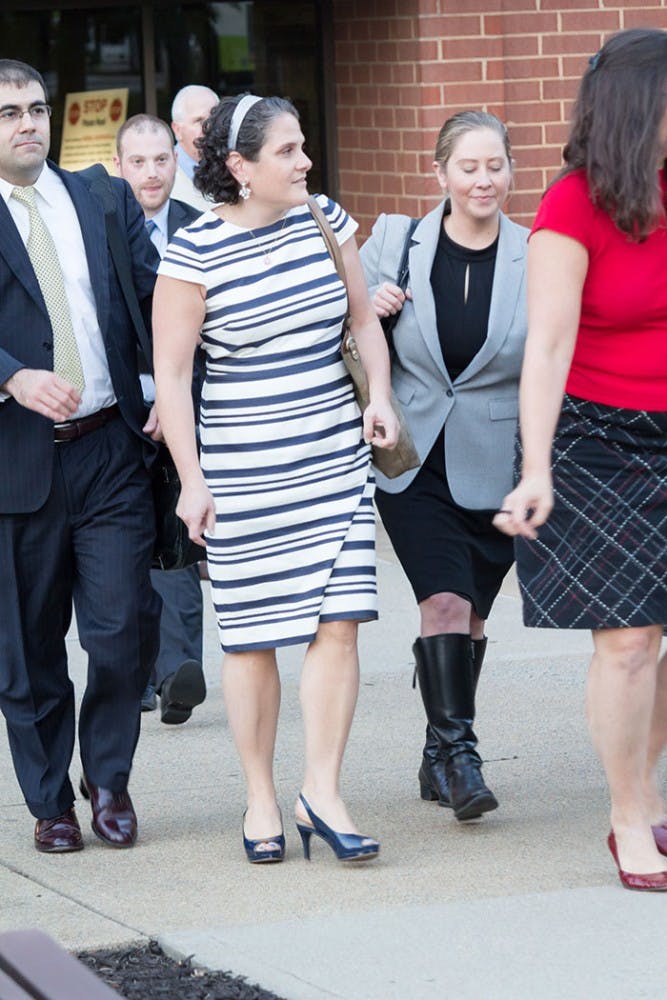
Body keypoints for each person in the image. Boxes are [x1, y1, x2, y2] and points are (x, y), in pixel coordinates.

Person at [152, 93, 399, 864]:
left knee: (341, 623)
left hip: (333, 454)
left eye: (302, 147)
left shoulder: (325, 217)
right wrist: (191, 481)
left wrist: (381, 398)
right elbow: (172, 374)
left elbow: (362, 319)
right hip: (245, 471)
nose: (305, 162)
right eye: (287, 151)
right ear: (239, 167)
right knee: (253, 640)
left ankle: (320, 791)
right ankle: (260, 795)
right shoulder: (192, 252)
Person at [494, 27, 667, 891]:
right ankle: (628, 814)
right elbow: (548, 346)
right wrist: (535, 467)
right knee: (630, 639)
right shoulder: (571, 205)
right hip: (599, 440)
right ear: (642, 109)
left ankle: (635, 784)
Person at [0, 60, 161, 852]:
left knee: (123, 627)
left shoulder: (102, 197)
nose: (27, 123)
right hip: (15, 464)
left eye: (35, 108)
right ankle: (49, 802)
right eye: (7, 113)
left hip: (108, 451)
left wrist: (168, 383)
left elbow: (160, 295)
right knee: (28, 652)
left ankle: (110, 778)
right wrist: (12, 376)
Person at [360, 111, 528, 822]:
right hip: (412, 455)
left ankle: (436, 751)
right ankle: (462, 758)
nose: (482, 179)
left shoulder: (538, 253)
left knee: (475, 618)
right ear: (440, 173)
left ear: (509, 170)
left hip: (498, 459)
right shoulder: (397, 242)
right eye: (468, 167)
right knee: (444, 604)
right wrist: (368, 309)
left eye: (494, 165)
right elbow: (343, 330)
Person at [114, 113, 207, 725]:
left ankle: (178, 674)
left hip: (184, 406)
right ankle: (141, 672)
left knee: (181, 537)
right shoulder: (99, 233)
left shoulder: (200, 231)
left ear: (178, 163)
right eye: (138, 162)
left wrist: (175, 404)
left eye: (161, 160)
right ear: (118, 167)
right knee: (127, 546)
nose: (151, 173)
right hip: (120, 411)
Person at [170, 85, 218, 213]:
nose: (208, 128)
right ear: (177, 130)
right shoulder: (163, 176)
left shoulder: (236, 169)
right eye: (199, 121)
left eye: (214, 119)